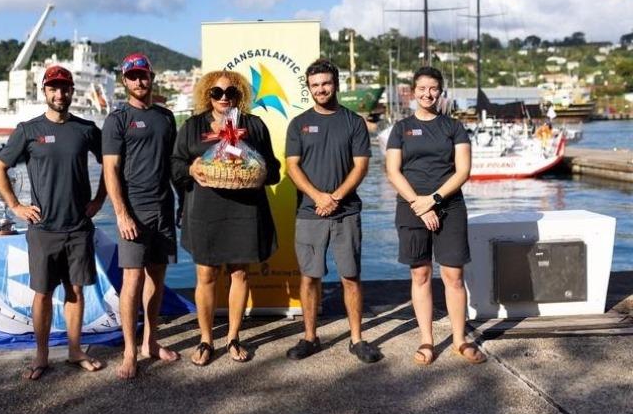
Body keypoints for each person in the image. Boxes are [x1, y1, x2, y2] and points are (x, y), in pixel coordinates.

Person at [0, 65, 106, 381]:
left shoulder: (86, 129)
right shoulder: (28, 130)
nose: (60, 94)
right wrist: (15, 206)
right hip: (43, 229)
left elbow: (111, 165)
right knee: (42, 294)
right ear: (44, 92)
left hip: (78, 227)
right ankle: (41, 356)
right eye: (53, 88)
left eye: (65, 88)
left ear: (72, 91)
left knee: (76, 292)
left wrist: (99, 201)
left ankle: (74, 350)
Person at [171, 71, 280, 366]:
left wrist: (257, 171)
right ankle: (206, 339)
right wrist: (192, 169)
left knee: (239, 274)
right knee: (205, 275)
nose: (223, 98)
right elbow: (176, 166)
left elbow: (273, 169)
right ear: (207, 95)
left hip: (245, 210)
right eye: (216, 93)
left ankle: (233, 337)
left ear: (239, 94)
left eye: (230, 92)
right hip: (205, 211)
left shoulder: (253, 126)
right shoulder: (193, 127)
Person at [385, 66, 486, 366]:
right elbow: (393, 171)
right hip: (411, 205)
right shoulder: (401, 129)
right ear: (412, 92)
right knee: (421, 273)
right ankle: (427, 340)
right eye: (422, 89)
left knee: (454, 276)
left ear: (440, 92)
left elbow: (463, 170)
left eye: (433, 89)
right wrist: (419, 203)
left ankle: (459, 340)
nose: (427, 94)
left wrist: (434, 200)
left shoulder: (453, 127)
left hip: (449, 205)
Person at [284, 58, 382, 364]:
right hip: (310, 212)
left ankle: (357, 339)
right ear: (309, 88)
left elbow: (361, 166)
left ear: (336, 84)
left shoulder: (353, 122)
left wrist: (336, 197)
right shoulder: (298, 123)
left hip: (346, 211)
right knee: (309, 277)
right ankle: (310, 337)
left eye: (326, 83)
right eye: (315, 85)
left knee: (350, 276)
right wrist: (317, 197)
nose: (321, 89)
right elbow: (292, 167)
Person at [103, 53, 180, 379]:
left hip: (163, 208)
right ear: (125, 80)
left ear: (152, 76)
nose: (139, 81)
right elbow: (111, 169)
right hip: (133, 211)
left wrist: (184, 203)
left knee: (157, 278)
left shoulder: (166, 117)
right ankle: (130, 351)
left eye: (143, 75)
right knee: (132, 281)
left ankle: (151, 341)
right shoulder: (117, 119)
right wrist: (121, 214)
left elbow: (174, 165)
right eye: (132, 76)